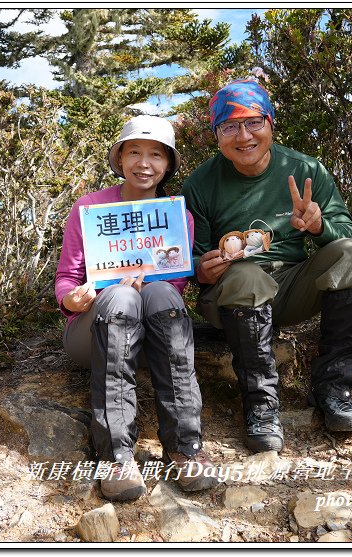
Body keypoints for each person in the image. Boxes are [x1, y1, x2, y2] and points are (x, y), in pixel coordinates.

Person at [181, 79, 352, 454]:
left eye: (253, 122)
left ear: (270, 123)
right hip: (231, 295)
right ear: (216, 135)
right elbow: (189, 258)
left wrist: (319, 227)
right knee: (247, 275)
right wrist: (200, 269)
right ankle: (262, 407)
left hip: (291, 284)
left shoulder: (305, 169)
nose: (243, 136)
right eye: (229, 126)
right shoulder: (201, 184)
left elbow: (350, 236)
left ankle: (333, 389)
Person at [55, 115, 219, 502]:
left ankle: (185, 447)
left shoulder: (179, 217)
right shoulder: (90, 208)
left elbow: (175, 283)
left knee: (161, 294)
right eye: (135, 152)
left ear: (168, 165)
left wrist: (154, 282)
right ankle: (116, 456)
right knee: (122, 296)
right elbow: (67, 276)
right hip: (95, 332)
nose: (144, 163)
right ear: (119, 158)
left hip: (152, 336)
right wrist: (70, 299)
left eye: (156, 155)